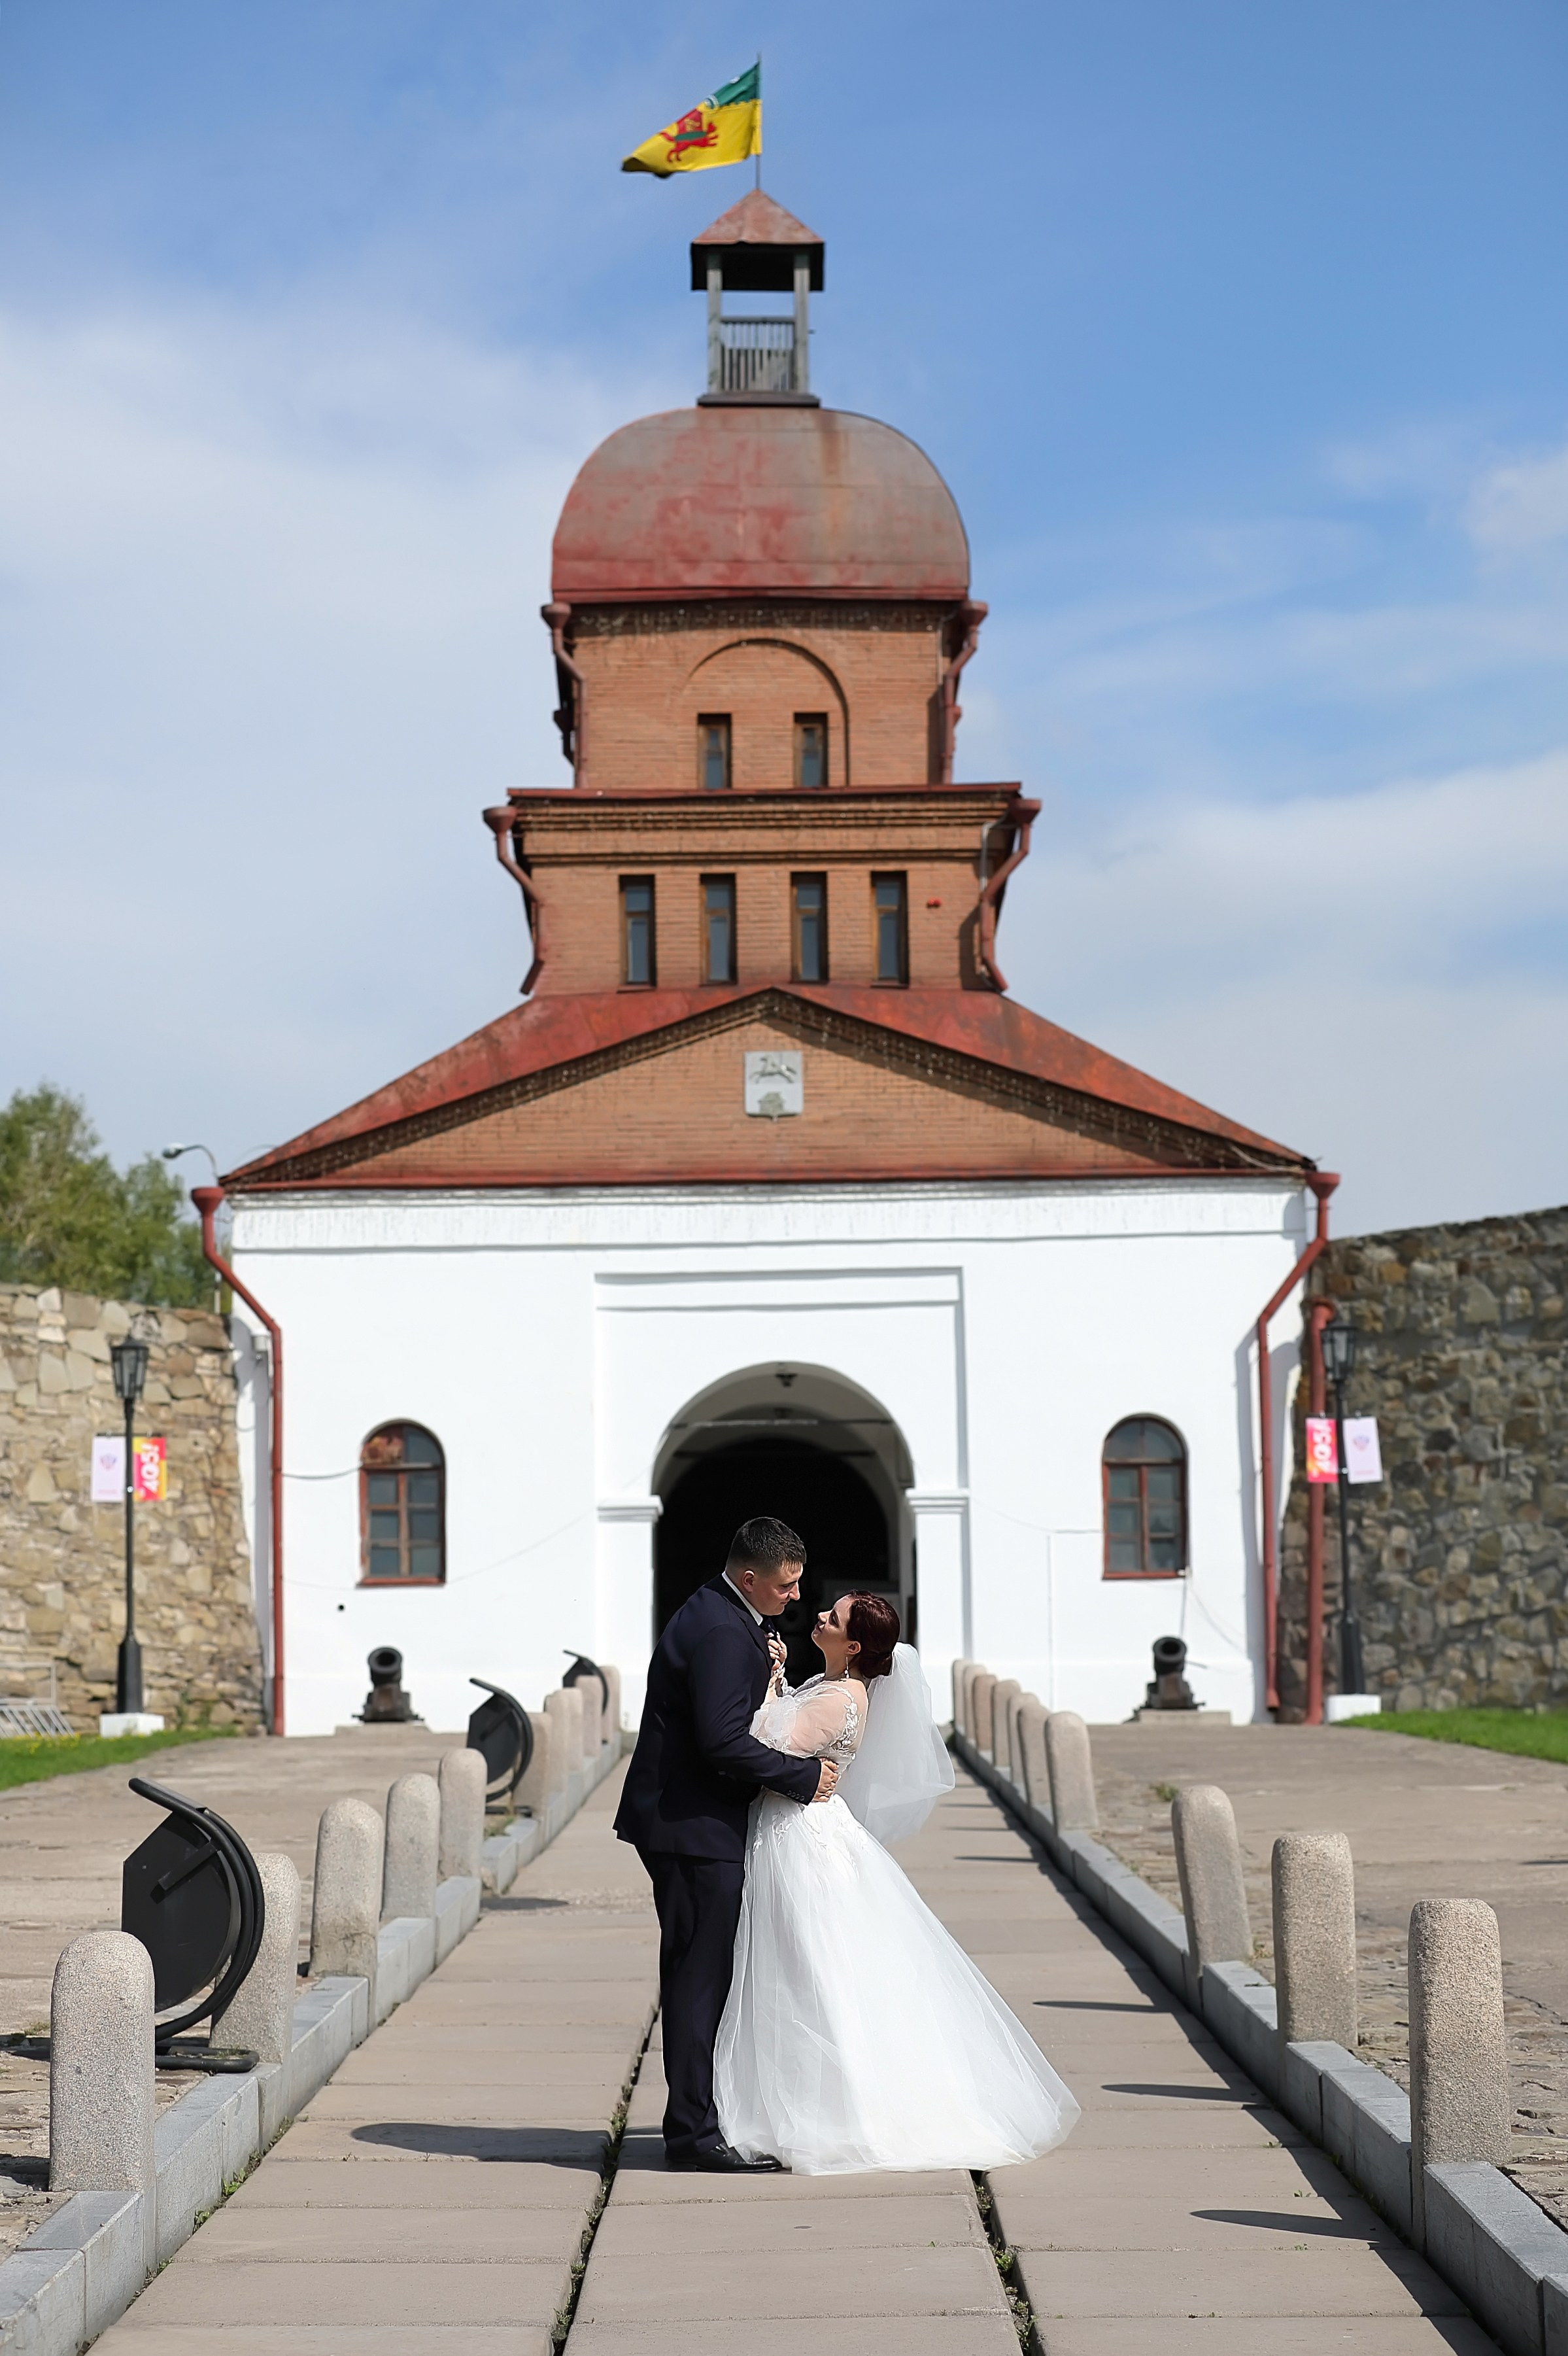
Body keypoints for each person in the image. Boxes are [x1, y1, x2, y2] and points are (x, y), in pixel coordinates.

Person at [714, 1591, 1081, 2174]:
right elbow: (788, 1723)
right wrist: (780, 1681)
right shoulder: (827, 1686)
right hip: (798, 1826)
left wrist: (758, 1692)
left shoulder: (842, 1698)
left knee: (810, 1965)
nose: (820, 1618)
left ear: (854, 1645)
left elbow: (766, 1746)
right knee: (801, 1963)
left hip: (801, 1836)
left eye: (832, 1619)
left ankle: (831, 2112)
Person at [614, 1515, 838, 2172]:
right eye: (786, 1585)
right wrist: (801, 1777)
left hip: (696, 1818)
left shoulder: (729, 1613)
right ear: (749, 1577)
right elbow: (720, 1740)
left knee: (705, 1972)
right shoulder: (718, 1627)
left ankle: (701, 2115)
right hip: (690, 1825)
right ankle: (691, 2133)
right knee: (697, 1978)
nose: (795, 1596)